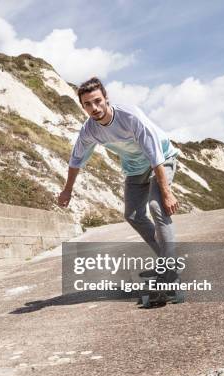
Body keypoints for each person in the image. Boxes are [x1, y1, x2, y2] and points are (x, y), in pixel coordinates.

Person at [58, 77, 180, 276]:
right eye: (87, 104)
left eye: (97, 101)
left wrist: (166, 192)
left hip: (162, 158)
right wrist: (67, 190)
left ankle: (170, 270)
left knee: (157, 206)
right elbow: (76, 160)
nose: (94, 108)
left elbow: (154, 154)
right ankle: (165, 261)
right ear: (83, 107)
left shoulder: (130, 117)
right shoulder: (89, 130)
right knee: (133, 215)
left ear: (106, 98)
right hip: (134, 168)